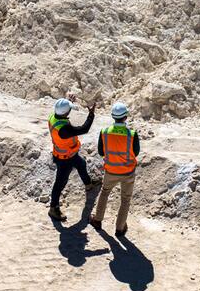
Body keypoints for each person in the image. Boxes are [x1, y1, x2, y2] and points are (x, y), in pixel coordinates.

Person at [91, 101, 141, 237]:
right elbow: (135, 152)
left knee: (104, 192)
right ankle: (120, 228)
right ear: (126, 117)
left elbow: (101, 152)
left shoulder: (105, 132)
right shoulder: (132, 134)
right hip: (127, 172)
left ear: (113, 116)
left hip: (110, 171)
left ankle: (97, 220)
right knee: (125, 200)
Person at [47, 97, 98, 222]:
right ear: (65, 112)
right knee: (60, 183)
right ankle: (53, 208)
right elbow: (84, 129)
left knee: (81, 164)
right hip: (64, 159)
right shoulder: (64, 130)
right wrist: (91, 115)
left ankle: (88, 184)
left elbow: (63, 111)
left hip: (68, 153)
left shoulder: (53, 117)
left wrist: (67, 102)